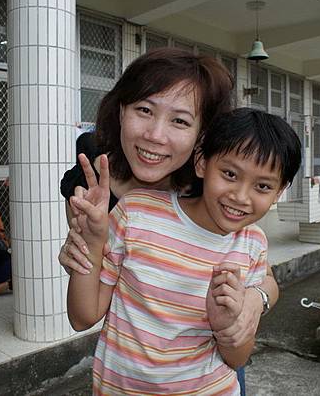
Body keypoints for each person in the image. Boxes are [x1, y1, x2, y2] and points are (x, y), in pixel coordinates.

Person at [58, 48, 273, 394]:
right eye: (144, 110)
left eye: (180, 121)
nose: (155, 135)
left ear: (203, 136)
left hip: (210, 366)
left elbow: (262, 271)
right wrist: (86, 252)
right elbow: (87, 298)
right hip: (137, 372)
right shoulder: (92, 184)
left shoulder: (214, 191)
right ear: (120, 110)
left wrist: (254, 299)